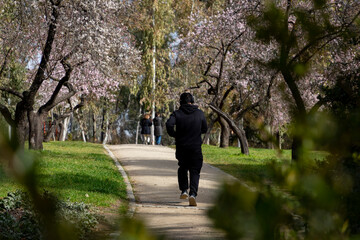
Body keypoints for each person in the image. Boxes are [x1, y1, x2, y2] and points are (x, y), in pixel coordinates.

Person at [166, 92, 208, 206]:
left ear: (180, 101)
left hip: (182, 146)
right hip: (195, 147)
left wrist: (175, 134)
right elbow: (205, 128)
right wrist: (196, 132)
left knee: (183, 167)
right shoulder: (199, 113)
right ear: (192, 101)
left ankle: (184, 190)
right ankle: (193, 194)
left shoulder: (177, 113)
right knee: (195, 170)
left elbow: (169, 124)